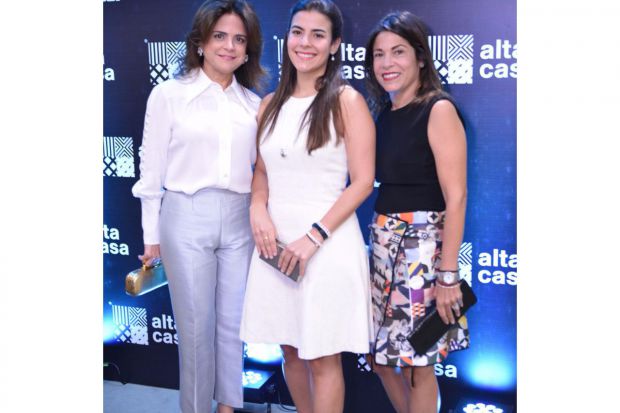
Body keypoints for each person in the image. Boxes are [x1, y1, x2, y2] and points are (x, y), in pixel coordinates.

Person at [239, 1, 375, 412]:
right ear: (287, 38)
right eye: (298, 32)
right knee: (291, 349)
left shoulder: (346, 101)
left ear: (334, 45)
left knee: (321, 354)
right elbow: (261, 171)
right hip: (276, 243)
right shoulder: (268, 105)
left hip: (326, 242)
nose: (305, 42)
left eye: (318, 35)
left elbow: (363, 181)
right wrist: (258, 209)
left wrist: (314, 236)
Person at [131, 1, 265, 412]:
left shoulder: (253, 104)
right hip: (185, 216)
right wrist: (151, 237)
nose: (229, 46)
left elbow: (262, 171)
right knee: (194, 330)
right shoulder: (170, 95)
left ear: (248, 50)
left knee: (232, 327)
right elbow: (150, 171)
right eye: (220, 36)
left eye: (239, 39)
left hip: (240, 218)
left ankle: (227, 407)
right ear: (201, 42)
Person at [363, 11, 470, 413]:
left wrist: (447, 277)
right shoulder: (384, 114)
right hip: (383, 248)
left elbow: (456, 197)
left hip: (423, 257)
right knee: (381, 358)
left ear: (420, 58)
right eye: (379, 54)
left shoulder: (438, 109)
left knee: (419, 365)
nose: (387, 63)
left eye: (399, 52)